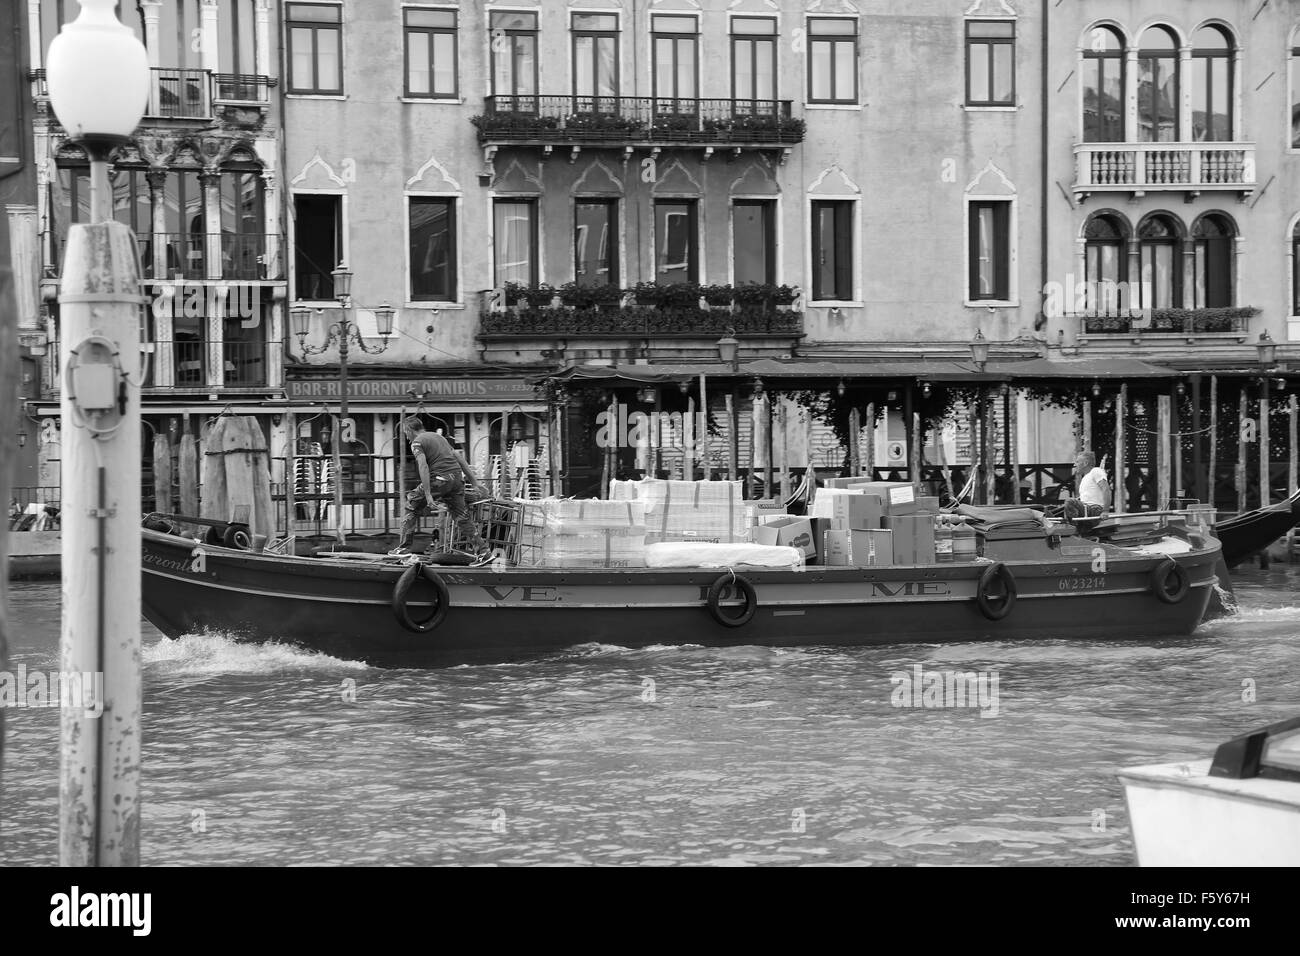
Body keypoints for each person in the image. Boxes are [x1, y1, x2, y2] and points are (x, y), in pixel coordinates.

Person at [390, 417, 491, 559]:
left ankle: (404, 548)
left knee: (411, 503)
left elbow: (423, 466)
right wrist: (474, 482)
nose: (407, 438)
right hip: (456, 479)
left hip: (440, 480)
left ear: (409, 430)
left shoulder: (417, 443)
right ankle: (483, 552)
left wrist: (428, 494)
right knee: (461, 517)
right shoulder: (440, 437)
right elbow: (459, 458)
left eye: (406, 434)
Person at [1063, 450, 1110, 521]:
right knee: (1053, 509)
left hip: (1094, 509)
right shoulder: (1085, 478)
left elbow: (1106, 489)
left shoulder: (1096, 471)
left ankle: (1072, 525)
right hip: (1085, 509)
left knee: (1069, 501)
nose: (1075, 464)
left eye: (1077, 462)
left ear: (1085, 463)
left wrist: (1105, 511)